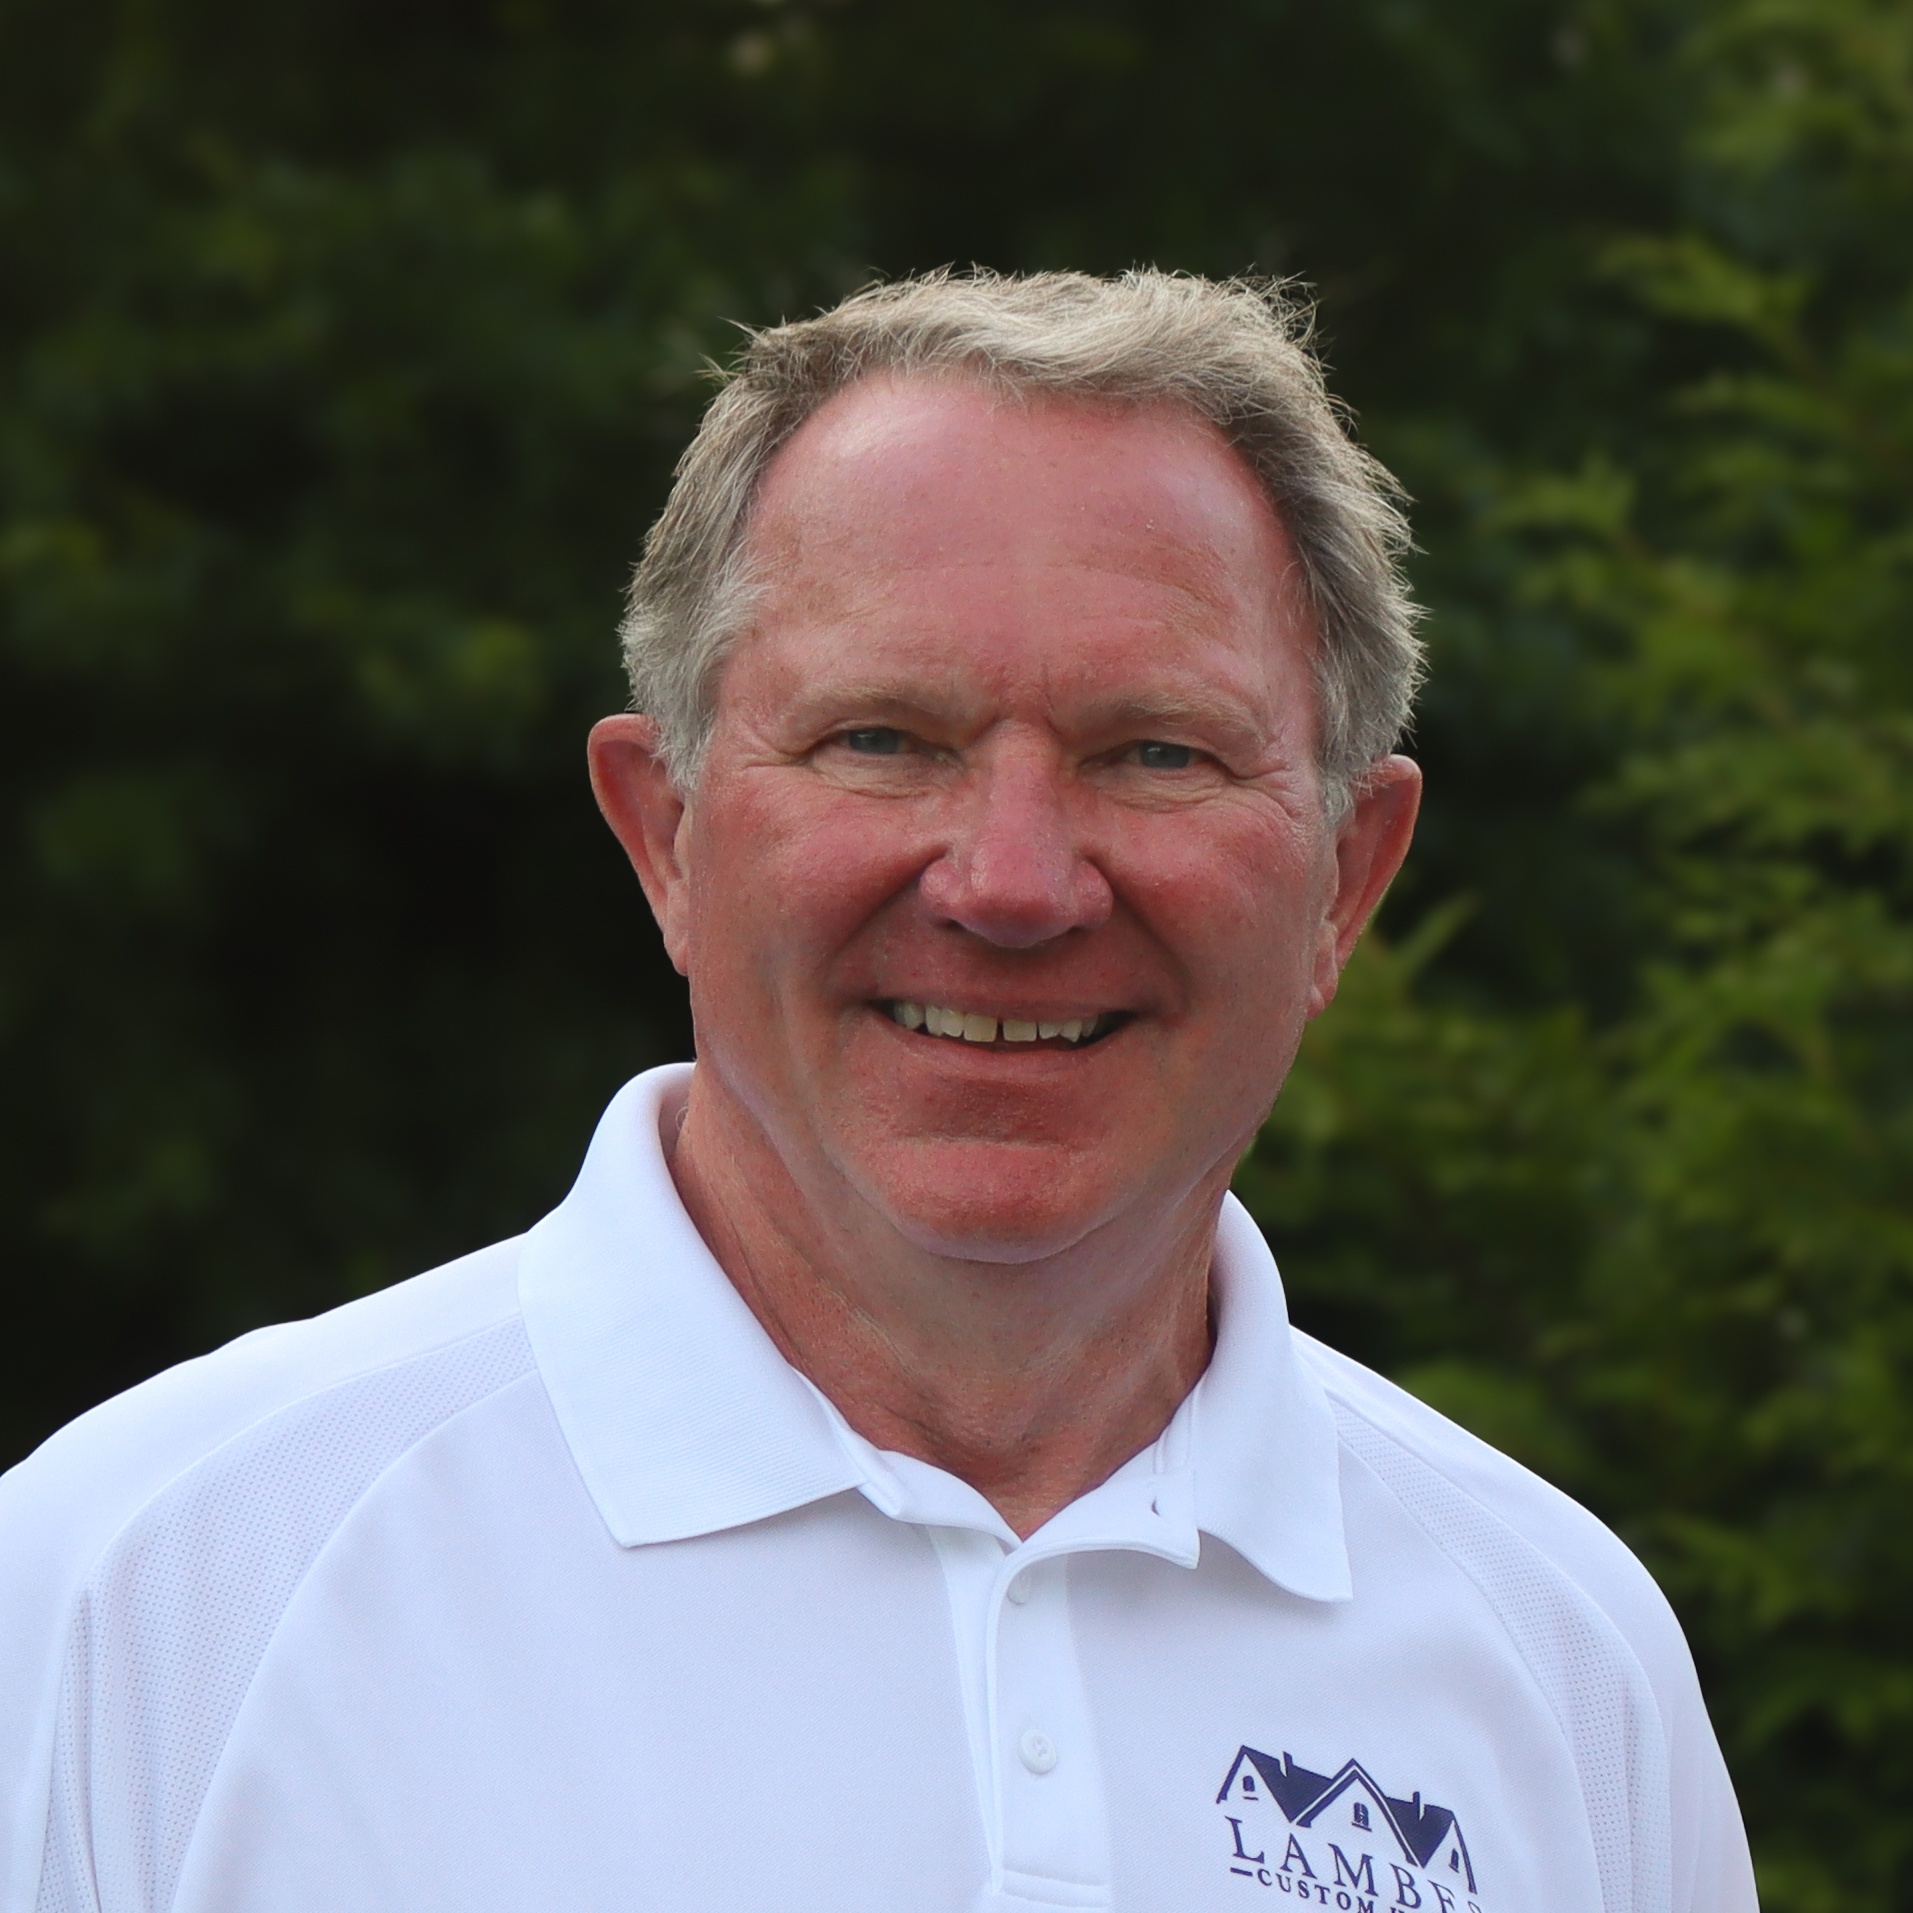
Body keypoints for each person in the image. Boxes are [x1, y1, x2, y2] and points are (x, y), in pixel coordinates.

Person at [0, 271, 1755, 1913]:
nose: (1012, 881)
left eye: (1156, 751)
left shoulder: (1564, 1658)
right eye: (882, 741)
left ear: (1344, 882)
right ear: (667, 836)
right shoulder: (149, 1591)